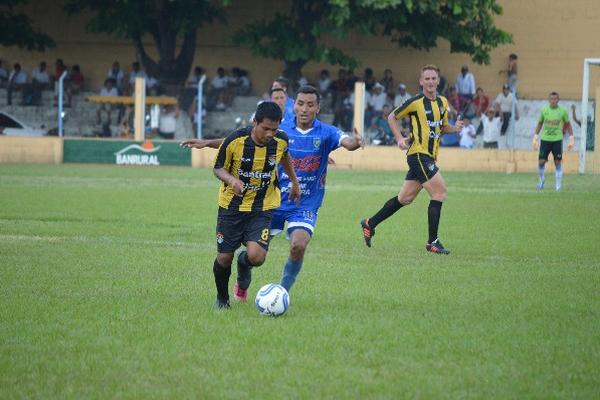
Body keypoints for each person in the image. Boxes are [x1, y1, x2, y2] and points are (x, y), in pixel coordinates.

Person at [182, 85, 363, 297]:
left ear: (318, 108)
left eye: (310, 104)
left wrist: (356, 142)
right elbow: (240, 140)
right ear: (293, 105)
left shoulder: (326, 132)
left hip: (304, 203)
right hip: (272, 202)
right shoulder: (278, 127)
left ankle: (281, 294)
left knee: (298, 245)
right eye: (300, 103)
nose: (304, 109)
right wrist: (206, 143)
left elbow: (347, 143)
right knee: (255, 257)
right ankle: (243, 269)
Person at [184, 101, 300, 309]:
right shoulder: (236, 140)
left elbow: (285, 156)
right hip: (231, 208)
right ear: (254, 122)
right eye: (265, 128)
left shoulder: (280, 140)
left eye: (274, 129)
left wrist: (294, 181)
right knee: (224, 257)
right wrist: (232, 181)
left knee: (257, 257)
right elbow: (218, 168)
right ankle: (222, 299)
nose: (269, 134)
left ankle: (243, 263)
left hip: (262, 207)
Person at [360, 64, 464, 255]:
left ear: (438, 81)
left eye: (434, 78)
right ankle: (432, 242)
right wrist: (399, 138)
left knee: (404, 198)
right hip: (418, 155)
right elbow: (392, 116)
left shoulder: (442, 102)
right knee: (439, 193)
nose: (431, 82)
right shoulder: (415, 102)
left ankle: (370, 223)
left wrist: (455, 128)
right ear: (421, 81)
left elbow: (442, 127)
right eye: (427, 78)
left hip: (428, 156)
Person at [532, 92, 574, 191]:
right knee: (541, 162)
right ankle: (541, 180)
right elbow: (540, 123)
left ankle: (558, 187)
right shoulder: (544, 110)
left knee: (557, 162)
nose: (553, 101)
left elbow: (567, 124)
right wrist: (535, 136)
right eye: (551, 99)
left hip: (557, 140)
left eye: (555, 99)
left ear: (558, 100)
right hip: (545, 140)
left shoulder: (562, 111)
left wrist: (571, 138)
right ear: (549, 100)